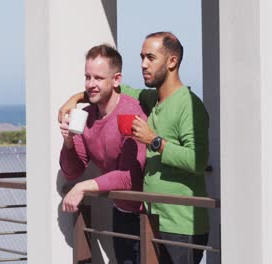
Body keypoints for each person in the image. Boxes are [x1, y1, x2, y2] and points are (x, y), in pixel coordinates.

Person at [59, 32, 210, 264]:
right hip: (155, 218)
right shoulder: (151, 99)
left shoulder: (190, 105)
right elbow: (112, 88)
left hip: (183, 224)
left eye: (150, 58)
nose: (143, 65)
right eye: (142, 57)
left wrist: (154, 141)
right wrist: (76, 98)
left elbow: (197, 161)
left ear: (172, 61)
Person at [59, 44, 147, 264]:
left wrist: (82, 187)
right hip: (122, 210)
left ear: (116, 80)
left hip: (148, 216)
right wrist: (68, 142)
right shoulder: (86, 115)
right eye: (87, 77)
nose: (90, 84)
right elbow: (72, 171)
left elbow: (129, 176)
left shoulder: (131, 113)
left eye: (98, 78)